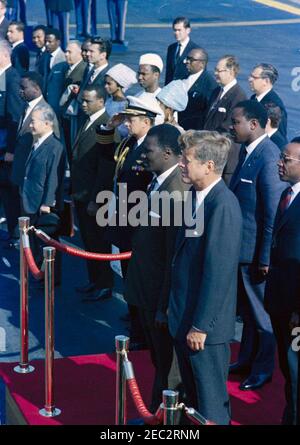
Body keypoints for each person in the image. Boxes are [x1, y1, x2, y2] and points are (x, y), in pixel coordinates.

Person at [168, 130, 242, 424]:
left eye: (187, 160)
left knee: (211, 406)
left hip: (204, 328)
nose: (181, 165)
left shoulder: (223, 205)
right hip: (185, 316)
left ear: (209, 166)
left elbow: (219, 272)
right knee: (193, 400)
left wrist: (200, 325)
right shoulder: (195, 196)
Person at [124, 124, 187, 411]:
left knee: (168, 368)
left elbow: (173, 259)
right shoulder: (160, 181)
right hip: (147, 291)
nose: (142, 156)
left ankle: (166, 420)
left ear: (168, 153)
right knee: (159, 362)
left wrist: (164, 306)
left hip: (158, 297)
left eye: (148, 151)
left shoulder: (176, 191)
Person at [229, 100, 286, 391]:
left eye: (235, 122)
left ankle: (263, 369)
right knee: (249, 314)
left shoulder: (268, 156)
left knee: (262, 317)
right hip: (242, 252)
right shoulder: (249, 152)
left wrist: (264, 258)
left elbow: (271, 215)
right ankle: (246, 360)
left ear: (253, 124)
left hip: (254, 255)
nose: (231, 126)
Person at [265, 138, 300, 425]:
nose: (280, 162)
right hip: (281, 303)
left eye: (286, 159)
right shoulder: (288, 194)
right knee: (289, 372)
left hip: (296, 313)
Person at [71, 85, 114, 301]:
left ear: (101, 101)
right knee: (89, 242)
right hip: (81, 193)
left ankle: (105, 284)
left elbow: (105, 168)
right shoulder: (87, 121)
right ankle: (94, 280)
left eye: (88, 101)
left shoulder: (105, 126)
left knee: (99, 242)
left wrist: (96, 200)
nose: (84, 104)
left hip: (93, 197)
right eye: (82, 101)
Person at [22, 105, 65, 284]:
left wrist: (47, 202)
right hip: (30, 200)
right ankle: (41, 275)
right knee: (36, 242)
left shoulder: (55, 147)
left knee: (48, 243)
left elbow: (54, 177)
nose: (30, 125)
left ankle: (50, 279)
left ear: (47, 123)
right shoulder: (39, 142)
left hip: (42, 204)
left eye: (33, 121)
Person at [11, 71, 60, 191]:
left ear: (36, 89)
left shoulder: (46, 112)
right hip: (19, 172)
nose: (20, 91)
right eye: (19, 87)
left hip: (32, 179)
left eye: (24, 88)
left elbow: (53, 146)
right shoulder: (26, 106)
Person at [204, 55, 247, 185]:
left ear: (231, 71)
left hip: (225, 157)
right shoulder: (216, 91)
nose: (215, 73)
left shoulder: (239, 96)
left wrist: (204, 138)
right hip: (211, 150)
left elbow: (229, 127)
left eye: (219, 71)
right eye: (215, 70)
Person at [0, 39, 25, 245]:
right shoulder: (3, 77)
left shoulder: (12, 78)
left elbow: (14, 117)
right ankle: (11, 229)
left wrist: (11, 149)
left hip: (6, 146)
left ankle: (16, 232)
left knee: (10, 189)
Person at [178, 47, 217, 130]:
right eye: (187, 58)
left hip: (195, 131)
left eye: (191, 60)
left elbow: (208, 113)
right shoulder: (183, 78)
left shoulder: (210, 85)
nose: (186, 62)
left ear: (202, 64)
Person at [249, 63, 287, 138]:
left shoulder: (275, 106)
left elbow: (278, 137)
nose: (250, 79)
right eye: (250, 76)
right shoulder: (253, 98)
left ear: (266, 81)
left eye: (254, 77)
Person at [104, 63, 137, 137]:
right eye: (105, 83)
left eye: (109, 84)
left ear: (119, 85)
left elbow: (124, 130)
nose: (105, 86)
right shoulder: (109, 100)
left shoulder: (125, 105)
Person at [165, 16, 198, 85]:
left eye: (179, 30)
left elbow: (198, 76)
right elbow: (168, 73)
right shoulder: (171, 48)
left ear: (188, 30)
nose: (176, 33)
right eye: (175, 30)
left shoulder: (196, 50)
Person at [44, 27, 68, 116]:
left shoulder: (63, 59)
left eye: (50, 42)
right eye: (46, 41)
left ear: (58, 42)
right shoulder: (46, 56)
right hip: (47, 101)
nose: (46, 44)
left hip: (57, 104)